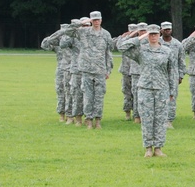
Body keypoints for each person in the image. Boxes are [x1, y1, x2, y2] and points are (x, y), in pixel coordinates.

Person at [118, 25, 175, 156]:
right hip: (145, 88)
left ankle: (158, 147)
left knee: (160, 119)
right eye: (151, 34)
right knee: (147, 119)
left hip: (161, 88)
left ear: (159, 35)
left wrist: (172, 91)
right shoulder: (141, 50)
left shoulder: (167, 51)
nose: (153, 37)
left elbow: (172, 72)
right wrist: (140, 36)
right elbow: (122, 47)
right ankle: (148, 147)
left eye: (155, 34)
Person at [61, 11, 114, 128]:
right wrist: (81, 23)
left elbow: (108, 53)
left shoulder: (106, 34)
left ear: (101, 20)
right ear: (91, 21)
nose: (96, 22)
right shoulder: (83, 32)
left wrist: (108, 70)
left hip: (100, 70)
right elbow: (68, 31)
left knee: (99, 97)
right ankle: (89, 119)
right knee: (88, 96)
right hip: (86, 70)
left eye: (97, 20)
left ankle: (98, 120)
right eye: (93, 20)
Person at [41, 24, 72, 122]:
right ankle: (62, 114)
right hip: (61, 69)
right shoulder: (57, 42)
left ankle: (71, 114)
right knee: (60, 91)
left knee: (72, 93)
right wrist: (58, 33)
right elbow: (45, 44)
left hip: (73, 69)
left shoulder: (73, 40)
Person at [159, 21, 185, 128]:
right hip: (160, 74)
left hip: (173, 74)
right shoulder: (158, 43)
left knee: (172, 97)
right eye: (165, 29)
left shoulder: (177, 44)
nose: (167, 31)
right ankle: (160, 119)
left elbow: (181, 60)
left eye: (169, 29)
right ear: (161, 30)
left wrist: (181, 75)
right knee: (160, 97)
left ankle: (169, 120)